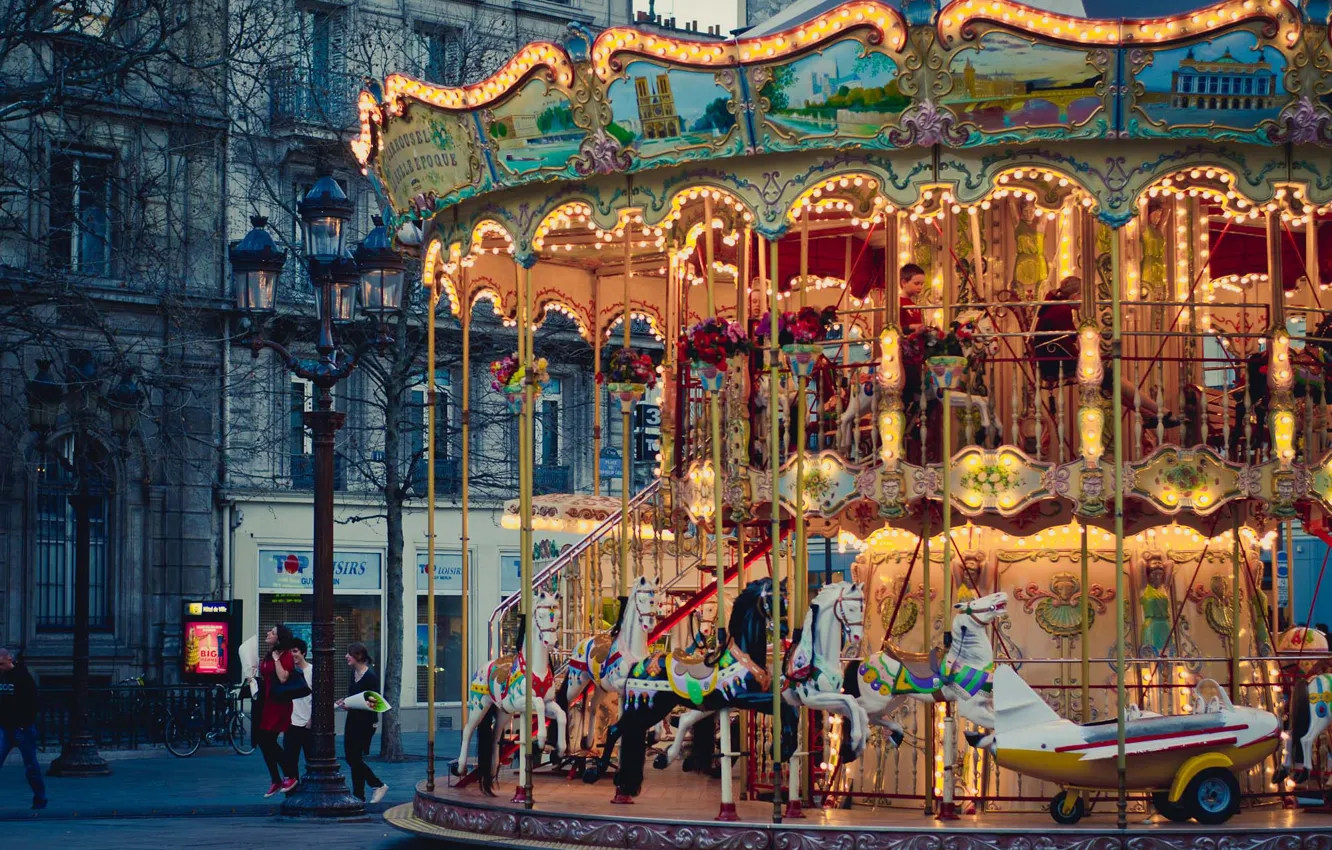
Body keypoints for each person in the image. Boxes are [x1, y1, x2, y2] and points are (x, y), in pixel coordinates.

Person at [1033, 275, 1179, 427]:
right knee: (1112, 376)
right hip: (1058, 362)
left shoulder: (1053, 307)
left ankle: (1148, 414)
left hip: (1053, 360)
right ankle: (1161, 411)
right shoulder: (1061, 310)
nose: (1083, 301)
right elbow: (1066, 341)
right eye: (1083, 297)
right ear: (1075, 296)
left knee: (1110, 382)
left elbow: (1064, 340)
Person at [336, 642, 387, 803]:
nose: (346, 657)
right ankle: (359, 795)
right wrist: (345, 703)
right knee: (352, 758)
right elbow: (354, 696)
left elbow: (374, 703)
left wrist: (352, 704)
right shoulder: (353, 674)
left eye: (349, 654)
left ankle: (378, 785)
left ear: (358, 656)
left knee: (355, 758)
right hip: (352, 720)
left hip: (365, 723)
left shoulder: (370, 677)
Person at [256, 624, 300, 797]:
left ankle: (290, 775)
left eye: (272, 632)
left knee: (267, 740)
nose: (268, 633)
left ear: (279, 638)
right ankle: (277, 779)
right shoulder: (269, 654)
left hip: (279, 704)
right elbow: (265, 675)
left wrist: (275, 659)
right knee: (263, 741)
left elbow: (283, 678)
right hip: (267, 702)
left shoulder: (286, 655)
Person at [0, 648, 46, 809]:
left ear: (9, 659)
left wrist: (22, 724)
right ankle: (40, 797)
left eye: (2, 664)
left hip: (22, 728)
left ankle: (40, 797)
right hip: (5, 727)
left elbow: (32, 703)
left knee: (31, 765)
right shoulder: (2, 676)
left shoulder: (23, 677)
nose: (0, 667)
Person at [283, 639, 314, 777]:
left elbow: (318, 699)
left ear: (304, 653)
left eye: (295, 651)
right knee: (289, 762)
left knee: (312, 761)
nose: (292, 654)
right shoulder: (286, 672)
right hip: (290, 723)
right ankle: (293, 792)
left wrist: (312, 720)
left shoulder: (313, 671)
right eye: (289, 652)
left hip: (307, 724)